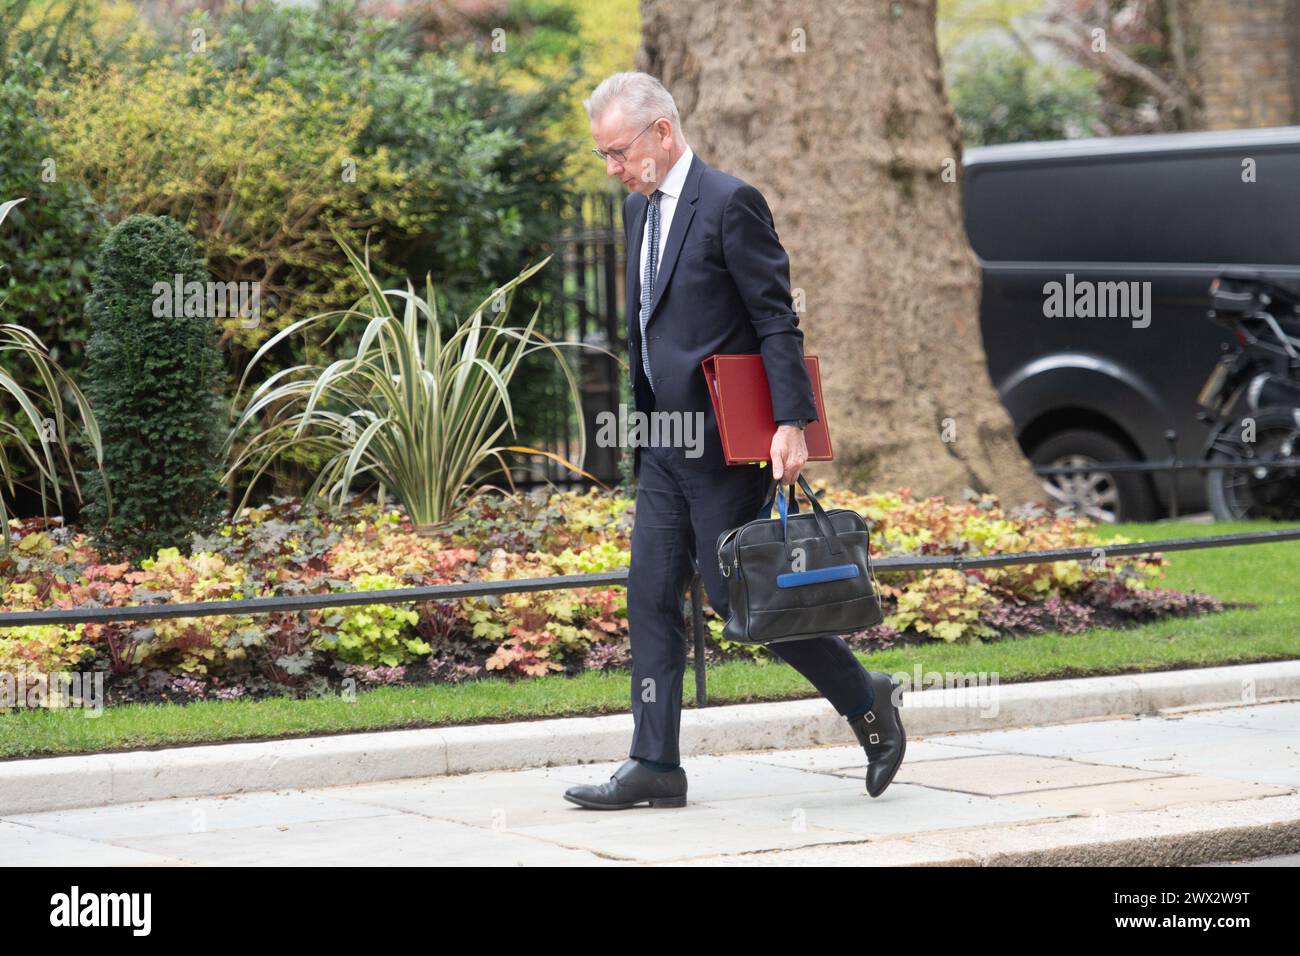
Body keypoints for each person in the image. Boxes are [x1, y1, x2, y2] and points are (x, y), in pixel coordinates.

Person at [562, 72, 904, 811]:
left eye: (619, 152)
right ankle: (654, 762)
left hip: (723, 446)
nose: (613, 168)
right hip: (662, 441)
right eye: (604, 157)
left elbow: (776, 319)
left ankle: (867, 699)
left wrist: (792, 423)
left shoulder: (729, 203)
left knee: (740, 601)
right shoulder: (635, 211)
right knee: (649, 597)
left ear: (661, 133)